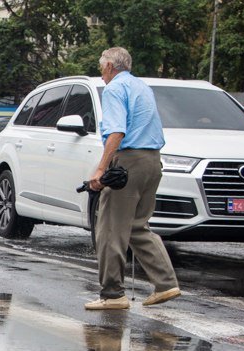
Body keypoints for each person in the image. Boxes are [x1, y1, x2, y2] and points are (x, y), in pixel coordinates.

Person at [85, 47, 179, 311]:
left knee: (111, 229)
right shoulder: (142, 87)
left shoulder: (115, 89)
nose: (101, 74)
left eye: (101, 68)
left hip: (128, 162)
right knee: (138, 226)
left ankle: (112, 294)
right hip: (152, 161)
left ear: (111, 67)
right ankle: (166, 283)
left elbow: (116, 132)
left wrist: (101, 170)